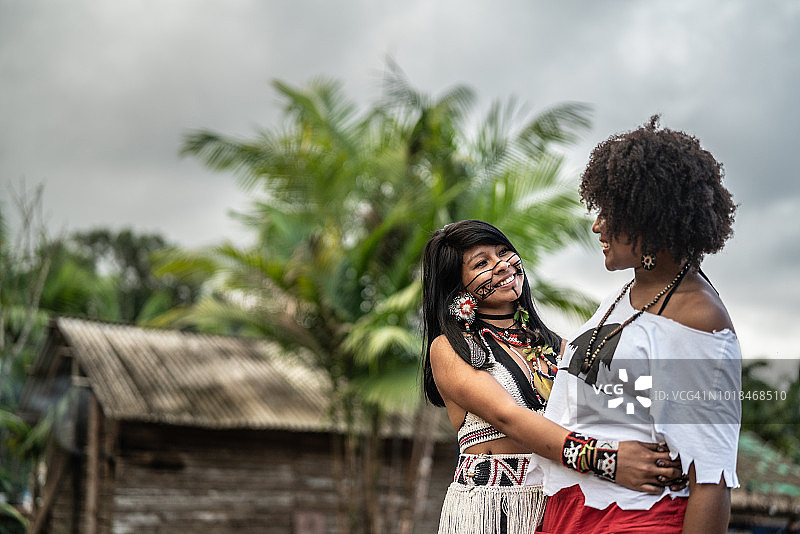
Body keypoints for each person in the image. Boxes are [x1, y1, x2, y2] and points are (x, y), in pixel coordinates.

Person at [539, 116, 741, 534]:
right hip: (572, 515)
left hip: (633, 520)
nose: (597, 225)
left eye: (610, 213)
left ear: (649, 220)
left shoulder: (697, 317)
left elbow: (712, 477)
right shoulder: (629, 294)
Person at [422, 219, 684, 534]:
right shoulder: (450, 348)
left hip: (559, 505)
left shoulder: (557, 346)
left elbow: (609, 404)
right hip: (493, 508)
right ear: (457, 286)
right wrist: (607, 461)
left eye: (504, 252)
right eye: (482, 262)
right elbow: (509, 417)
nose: (503, 265)